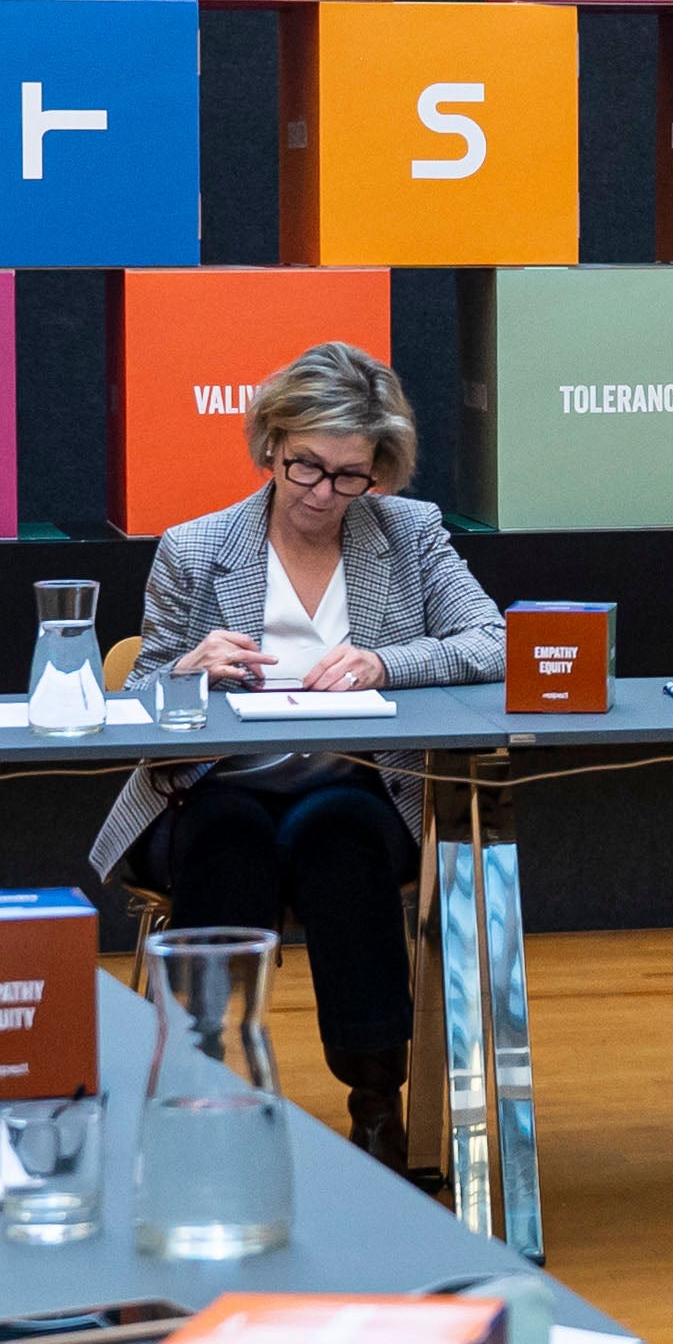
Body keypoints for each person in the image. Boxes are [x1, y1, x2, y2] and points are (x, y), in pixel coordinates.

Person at [103, 343, 507, 1182]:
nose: (324, 493)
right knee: (228, 837)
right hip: (216, 783)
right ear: (271, 445)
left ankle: (377, 1105)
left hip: (356, 782)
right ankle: (198, 1092)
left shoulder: (411, 533)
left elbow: (492, 640)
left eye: (351, 475)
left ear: (379, 470)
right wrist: (185, 670)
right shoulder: (195, 546)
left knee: (343, 835)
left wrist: (386, 662)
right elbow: (136, 701)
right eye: (307, 467)